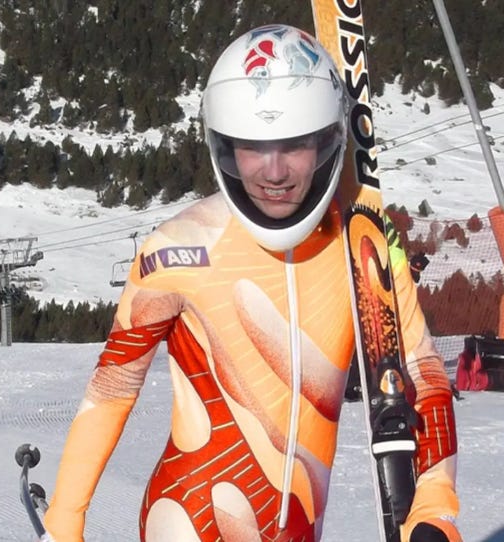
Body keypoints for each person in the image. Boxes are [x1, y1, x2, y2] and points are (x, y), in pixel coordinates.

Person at [43, 24, 461, 542]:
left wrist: (435, 507)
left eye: (296, 145)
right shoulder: (181, 248)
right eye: (252, 147)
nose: (275, 171)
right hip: (189, 520)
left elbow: (419, 374)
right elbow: (112, 389)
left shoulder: (364, 249)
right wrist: (65, 522)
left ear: (328, 142)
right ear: (224, 147)